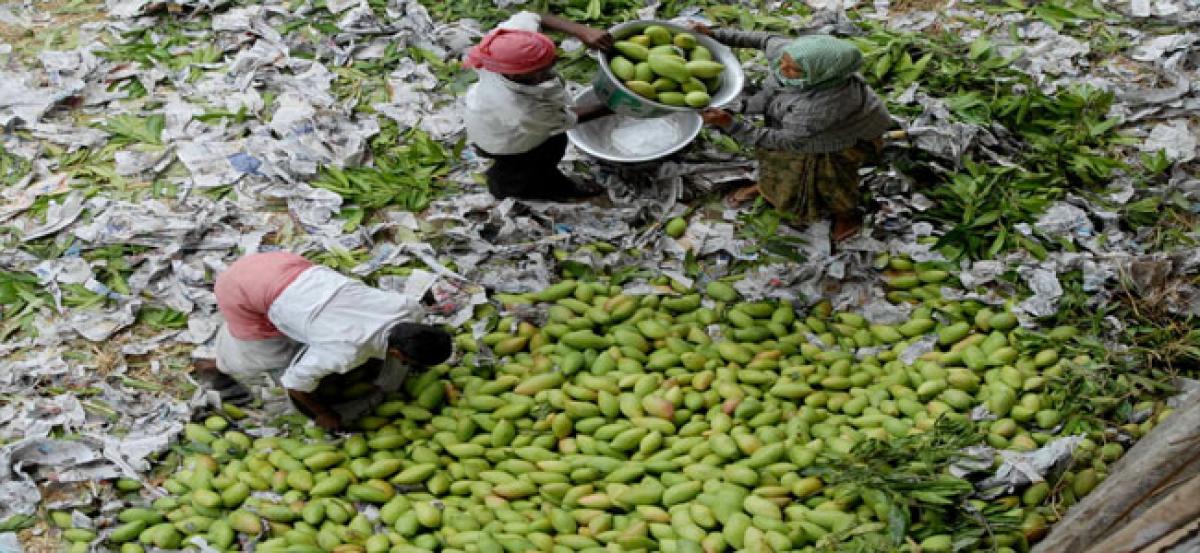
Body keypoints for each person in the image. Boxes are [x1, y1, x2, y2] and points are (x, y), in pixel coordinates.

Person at [193, 251, 453, 430]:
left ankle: (294, 328)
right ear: (397, 355)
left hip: (283, 265)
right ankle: (212, 364)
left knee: (306, 336)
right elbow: (294, 384)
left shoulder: (407, 308)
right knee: (264, 358)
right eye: (409, 363)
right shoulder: (346, 352)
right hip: (240, 288)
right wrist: (324, 413)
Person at [694, 26, 893, 242]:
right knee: (776, 163)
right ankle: (767, 188)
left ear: (821, 75)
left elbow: (786, 140)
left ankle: (847, 216)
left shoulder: (822, 106)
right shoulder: (791, 56)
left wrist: (730, 124)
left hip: (838, 139)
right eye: (783, 61)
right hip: (796, 125)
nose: (782, 68)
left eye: (793, 69)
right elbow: (764, 38)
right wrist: (714, 34)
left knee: (831, 181)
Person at [464, 11, 615, 201]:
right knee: (527, 170)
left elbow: (534, 16)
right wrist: (613, 107)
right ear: (518, 76)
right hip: (510, 143)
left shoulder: (504, 45)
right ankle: (509, 188)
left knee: (552, 146)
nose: (553, 65)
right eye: (544, 68)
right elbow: (568, 118)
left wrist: (581, 30)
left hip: (487, 117)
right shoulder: (521, 109)